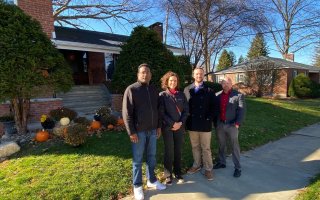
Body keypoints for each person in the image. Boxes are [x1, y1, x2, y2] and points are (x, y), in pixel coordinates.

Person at [122, 63, 166, 200]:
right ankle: (137, 186)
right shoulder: (131, 90)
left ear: (150, 75)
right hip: (139, 131)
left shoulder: (153, 90)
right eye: (142, 72)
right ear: (138, 74)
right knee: (138, 160)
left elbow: (158, 111)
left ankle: (151, 180)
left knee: (152, 157)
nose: (145, 74)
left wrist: (158, 127)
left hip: (152, 130)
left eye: (147, 72)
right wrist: (131, 132)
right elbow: (126, 113)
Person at [183, 67, 216, 181]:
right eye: (196, 74)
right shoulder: (187, 89)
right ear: (193, 75)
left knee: (206, 148)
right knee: (195, 146)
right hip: (192, 123)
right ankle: (196, 165)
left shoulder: (209, 90)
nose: (199, 76)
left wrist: (209, 118)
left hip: (205, 124)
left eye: (201, 74)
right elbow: (184, 106)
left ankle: (208, 169)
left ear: (203, 75)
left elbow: (214, 107)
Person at [159, 71, 189, 185]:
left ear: (177, 82)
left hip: (180, 127)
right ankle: (168, 174)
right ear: (167, 82)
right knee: (169, 151)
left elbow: (186, 111)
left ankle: (178, 172)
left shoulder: (181, 95)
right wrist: (173, 124)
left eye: (175, 80)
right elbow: (162, 113)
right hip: (168, 128)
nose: (173, 82)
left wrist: (180, 123)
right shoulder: (163, 95)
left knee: (178, 150)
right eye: (171, 80)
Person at [213, 77, 245, 178]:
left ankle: (238, 167)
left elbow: (242, 111)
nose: (225, 85)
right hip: (220, 125)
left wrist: (237, 124)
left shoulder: (238, 95)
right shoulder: (217, 95)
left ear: (231, 84)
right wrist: (216, 123)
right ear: (221, 84)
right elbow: (215, 110)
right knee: (221, 145)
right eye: (223, 83)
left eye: (228, 83)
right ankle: (222, 162)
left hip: (232, 125)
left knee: (234, 146)